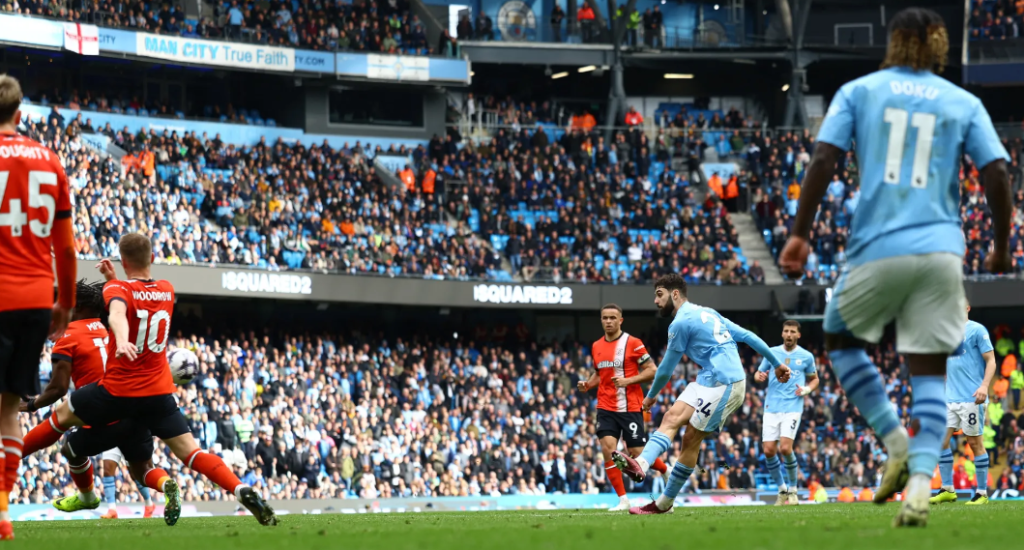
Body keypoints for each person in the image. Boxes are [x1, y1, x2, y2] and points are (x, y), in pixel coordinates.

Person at [779, 7, 1012, 527]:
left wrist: (799, 235)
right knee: (929, 371)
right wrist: (1000, 243)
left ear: (894, 43)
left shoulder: (860, 91)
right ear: (938, 45)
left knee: (839, 339)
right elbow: (997, 172)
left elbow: (821, 161)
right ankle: (920, 490)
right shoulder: (963, 101)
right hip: (939, 253)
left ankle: (895, 441)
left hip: (877, 246)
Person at [41, 235, 277, 528]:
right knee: (192, 453)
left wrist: (120, 316)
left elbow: (118, 311)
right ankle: (240, 489)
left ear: (123, 261)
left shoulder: (117, 289)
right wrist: (117, 282)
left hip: (123, 391)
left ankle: (85, 492)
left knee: (71, 431)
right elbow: (136, 299)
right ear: (152, 258)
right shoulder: (167, 289)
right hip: (159, 390)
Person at [611, 273, 785, 514]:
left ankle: (663, 503)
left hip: (727, 383)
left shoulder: (680, 323)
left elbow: (665, 371)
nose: (655, 301)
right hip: (706, 378)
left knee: (691, 438)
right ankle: (640, 464)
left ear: (674, 294)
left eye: (659, 295)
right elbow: (747, 336)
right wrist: (777, 363)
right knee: (671, 417)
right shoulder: (708, 312)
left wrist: (650, 397)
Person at [0, 74, 77, 540]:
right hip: (34, 299)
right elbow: (66, 250)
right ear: (20, 114)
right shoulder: (50, 162)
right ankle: (2, 510)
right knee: (9, 406)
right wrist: (64, 305)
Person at [20, 280, 155, 518]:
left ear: (78, 306)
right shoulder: (109, 328)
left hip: (98, 405)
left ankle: (86, 495)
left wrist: (31, 404)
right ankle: (160, 488)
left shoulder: (68, 336)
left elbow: (58, 389)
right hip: (130, 405)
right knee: (140, 469)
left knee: (68, 442)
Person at [577, 304, 667, 511]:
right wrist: (588, 384)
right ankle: (623, 500)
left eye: (612, 318)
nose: (608, 321)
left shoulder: (633, 343)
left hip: (630, 406)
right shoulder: (596, 346)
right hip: (605, 406)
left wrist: (628, 380)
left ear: (620, 320)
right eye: (604, 318)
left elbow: (652, 370)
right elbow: (599, 373)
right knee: (608, 450)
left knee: (637, 453)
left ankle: (664, 469)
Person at [930, 303, 996, 506]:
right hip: (950, 398)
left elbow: (991, 360)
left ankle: (982, 493)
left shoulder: (977, 330)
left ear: (967, 308)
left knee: (975, 443)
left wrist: (985, 386)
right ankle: (948, 489)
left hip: (972, 398)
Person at [754, 320, 817, 505]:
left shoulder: (806, 356)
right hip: (771, 407)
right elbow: (758, 375)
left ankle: (793, 490)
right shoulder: (772, 352)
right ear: (782, 333)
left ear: (798, 335)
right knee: (768, 450)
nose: (789, 334)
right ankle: (782, 491)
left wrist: (807, 390)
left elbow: (815, 380)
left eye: (792, 332)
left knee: (785, 448)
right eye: (786, 331)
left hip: (792, 406)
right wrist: (760, 376)